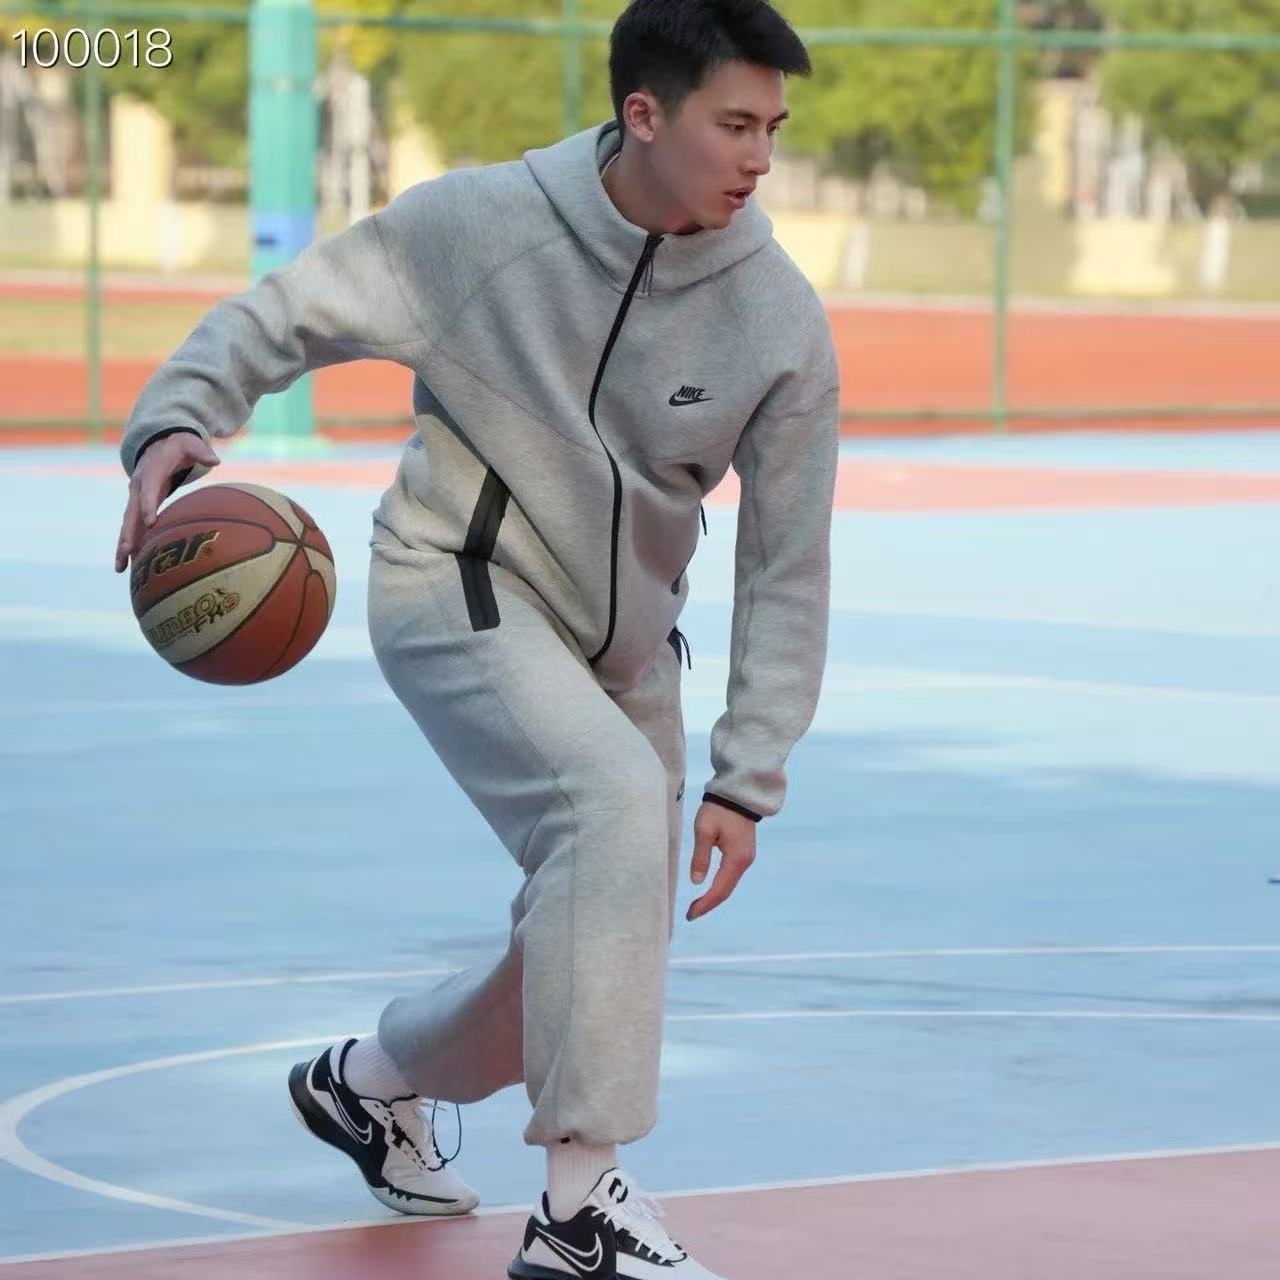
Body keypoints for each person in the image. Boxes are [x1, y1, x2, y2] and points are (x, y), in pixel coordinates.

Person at [113, 1, 839, 1274]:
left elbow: (787, 562)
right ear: (643, 114)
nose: (759, 157)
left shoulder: (775, 318)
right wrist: (180, 412)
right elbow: (288, 311)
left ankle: (372, 1080)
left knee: (591, 951)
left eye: (772, 128)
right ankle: (579, 1213)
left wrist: (748, 769)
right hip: (456, 580)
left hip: (625, 650)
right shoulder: (481, 226)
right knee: (611, 808)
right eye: (734, 124)